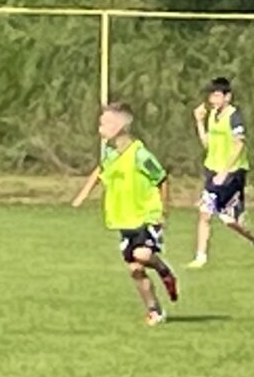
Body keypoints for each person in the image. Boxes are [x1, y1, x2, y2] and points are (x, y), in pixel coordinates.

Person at [74, 102, 180, 325]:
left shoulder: (139, 154)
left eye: (105, 124)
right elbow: (100, 171)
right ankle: (154, 310)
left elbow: (161, 179)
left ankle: (164, 271)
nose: (100, 129)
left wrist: (163, 211)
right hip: (125, 219)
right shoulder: (110, 155)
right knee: (135, 270)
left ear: (121, 126)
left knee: (142, 255)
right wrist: (82, 195)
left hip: (146, 216)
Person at [188, 78, 254, 270]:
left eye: (217, 95)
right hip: (213, 170)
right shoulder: (212, 115)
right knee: (207, 214)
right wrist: (199, 122)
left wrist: (225, 171)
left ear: (227, 97)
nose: (213, 100)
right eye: (211, 96)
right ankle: (201, 257)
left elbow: (239, 144)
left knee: (225, 219)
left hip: (232, 173)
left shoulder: (234, 116)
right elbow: (207, 144)